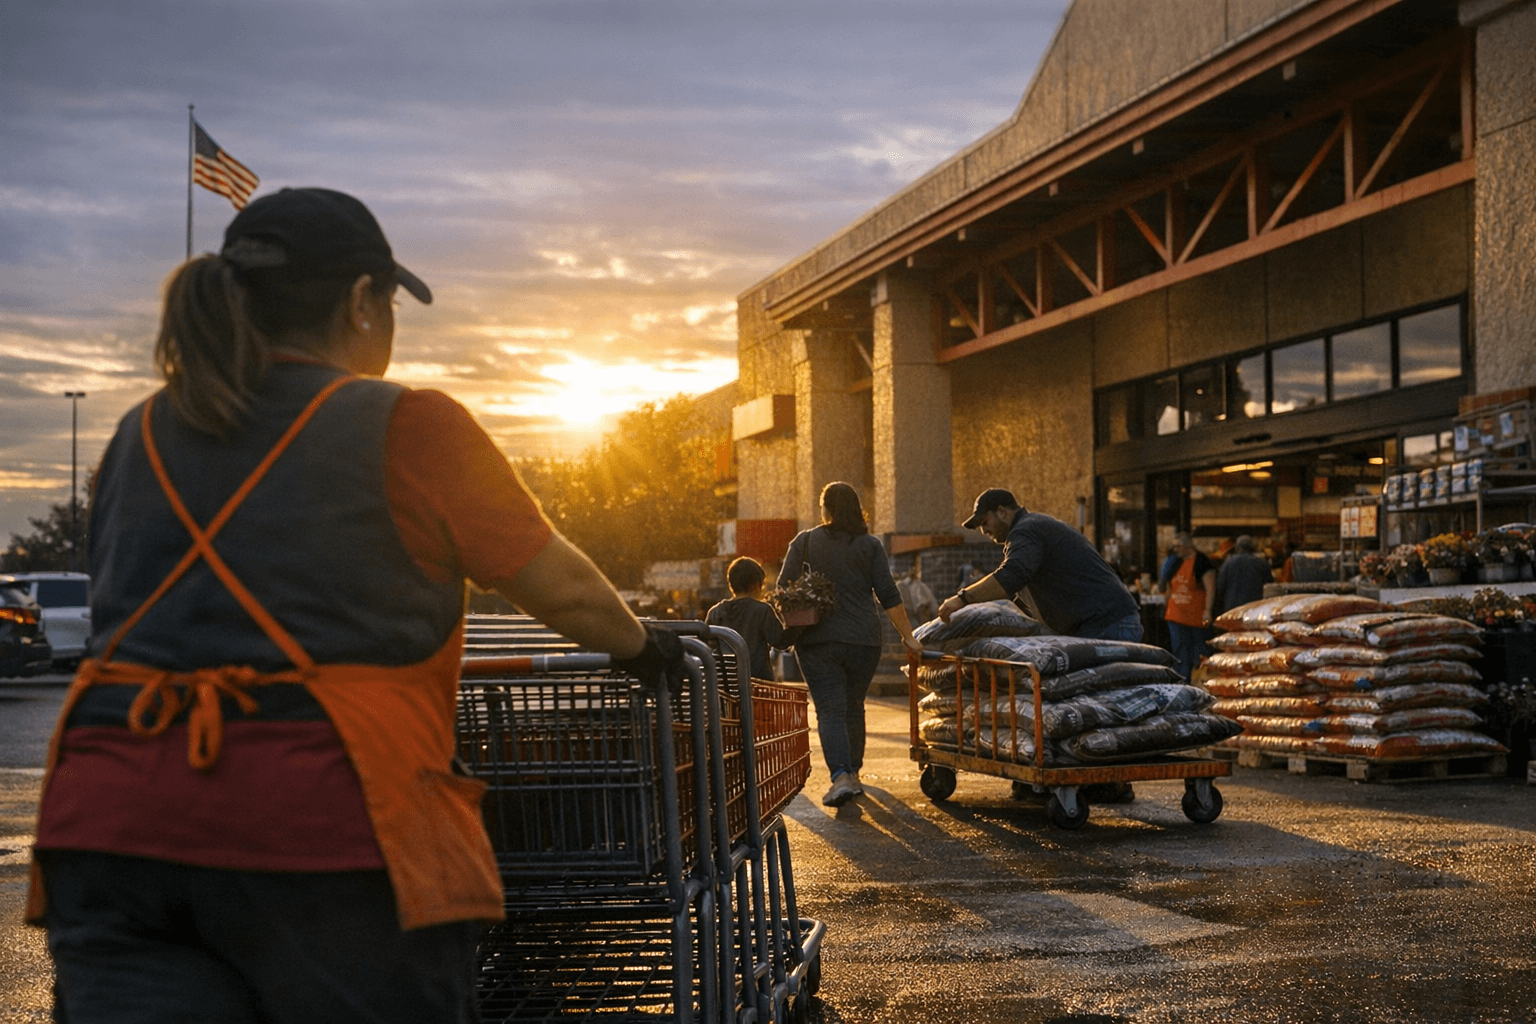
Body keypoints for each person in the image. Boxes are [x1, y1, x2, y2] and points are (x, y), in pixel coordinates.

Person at [27, 187, 686, 1023]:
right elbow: (563, 590)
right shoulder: (409, 425)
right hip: (328, 830)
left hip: (114, 823)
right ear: (362, 302)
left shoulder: (138, 431)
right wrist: (644, 649)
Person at [778, 482, 922, 807]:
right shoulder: (870, 545)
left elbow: (783, 587)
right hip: (864, 640)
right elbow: (888, 594)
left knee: (830, 709)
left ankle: (840, 775)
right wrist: (908, 637)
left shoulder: (805, 542)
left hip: (818, 640)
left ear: (826, 508)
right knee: (855, 706)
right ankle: (854, 775)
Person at [936, 488, 1141, 642]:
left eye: (984, 522)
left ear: (1002, 512)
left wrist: (962, 599)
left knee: (1093, 694)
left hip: (1107, 623)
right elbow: (1013, 593)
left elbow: (1012, 575)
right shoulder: (1031, 530)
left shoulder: (1027, 530)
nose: (984, 531)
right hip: (1099, 623)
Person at [706, 556, 784, 681]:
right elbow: (780, 642)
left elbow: (707, 649)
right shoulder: (761, 610)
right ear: (756, 585)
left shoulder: (714, 612)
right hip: (757, 683)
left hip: (725, 685)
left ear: (731, 585)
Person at [1163, 531, 1216, 679]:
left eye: (1178, 546)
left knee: (1198, 651)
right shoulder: (1175, 562)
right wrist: (1166, 603)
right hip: (1175, 614)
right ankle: (1182, 681)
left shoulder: (1202, 562)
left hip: (1195, 615)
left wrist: (1208, 610)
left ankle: (1199, 682)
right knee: (1179, 652)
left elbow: (1210, 588)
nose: (1175, 550)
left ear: (1188, 546)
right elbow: (1169, 585)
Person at [1213, 534, 1274, 618]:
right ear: (1253, 548)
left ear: (1237, 548)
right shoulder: (1261, 563)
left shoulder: (1228, 564)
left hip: (1232, 607)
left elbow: (1220, 586)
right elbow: (1270, 586)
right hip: (1255, 607)